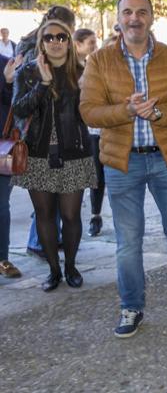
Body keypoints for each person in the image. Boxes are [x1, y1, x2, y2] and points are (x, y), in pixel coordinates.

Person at [80, 0, 167, 338]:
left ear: (151, 17)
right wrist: (125, 111)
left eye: (141, 12)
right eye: (127, 12)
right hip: (121, 162)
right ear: (118, 18)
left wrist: (158, 112)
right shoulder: (99, 60)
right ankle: (131, 307)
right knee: (129, 242)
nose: (134, 18)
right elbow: (89, 111)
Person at [12, 17, 98, 292]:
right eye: (49, 37)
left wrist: (87, 91)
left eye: (61, 37)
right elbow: (20, 110)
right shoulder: (27, 72)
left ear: (69, 42)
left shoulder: (82, 71)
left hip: (74, 153)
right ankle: (53, 270)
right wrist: (42, 84)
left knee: (71, 215)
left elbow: (89, 115)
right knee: (44, 215)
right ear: (41, 42)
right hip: (37, 155)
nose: (56, 42)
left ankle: (71, 266)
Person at [73, 28, 106, 236]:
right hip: (80, 130)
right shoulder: (72, 68)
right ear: (78, 44)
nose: (94, 46)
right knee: (88, 175)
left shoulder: (97, 64)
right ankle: (89, 215)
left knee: (100, 173)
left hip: (99, 128)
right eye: (90, 43)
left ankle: (96, 214)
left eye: (95, 42)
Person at [0, 52, 20, 279]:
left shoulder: (8, 63)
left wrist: (7, 82)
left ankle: (2, 259)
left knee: (1, 206)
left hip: (2, 147)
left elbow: (14, 105)